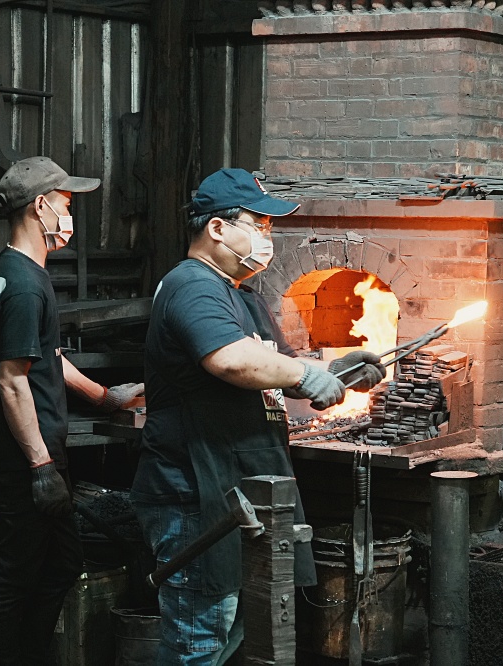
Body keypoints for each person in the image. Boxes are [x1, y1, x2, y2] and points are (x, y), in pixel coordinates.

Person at [131, 168, 385, 665]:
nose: (266, 237)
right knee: (198, 644)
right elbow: (229, 360)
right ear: (218, 228)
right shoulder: (192, 286)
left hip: (244, 490)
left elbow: (279, 368)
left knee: (235, 635)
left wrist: (336, 370)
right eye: (259, 223)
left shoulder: (245, 298)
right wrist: (306, 376)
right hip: (196, 494)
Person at [0, 156, 144, 665]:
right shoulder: (21, 285)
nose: (71, 215)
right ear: (41, 206)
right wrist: (42, 467)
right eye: (67, 204)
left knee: (61, 565)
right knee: (14, 576)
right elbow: (12, 381)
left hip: (33, 452)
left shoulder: (18, 272)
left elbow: (46, 357)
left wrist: (104, 396)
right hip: (25, 458)